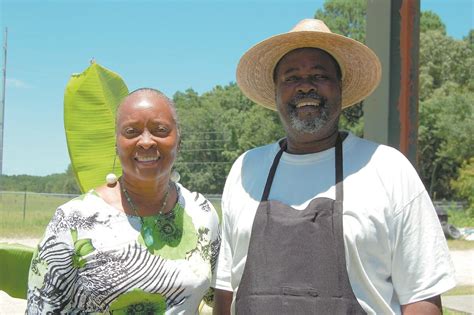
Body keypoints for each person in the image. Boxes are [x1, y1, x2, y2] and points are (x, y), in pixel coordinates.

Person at [213, 19, 455, 314]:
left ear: (340, 88)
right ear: (276, 92)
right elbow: (226, 290)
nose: (305, 85)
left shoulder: (388, 169)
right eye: (291, 77)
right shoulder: (246, 169)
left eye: (319, 74)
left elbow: (422, 296)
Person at [27, 88, 220, 314]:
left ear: (179, 139)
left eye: (160, 130)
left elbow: (216, 295)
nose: (146, 141)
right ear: (116, 143)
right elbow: (41, 307)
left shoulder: (202, 212)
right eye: (131, 131)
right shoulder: (73, 220)